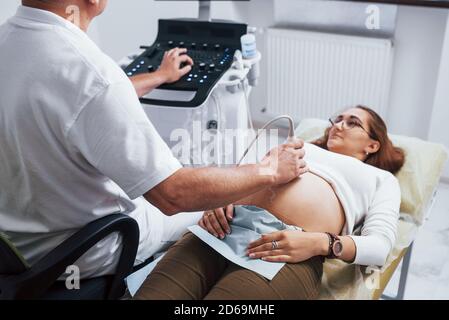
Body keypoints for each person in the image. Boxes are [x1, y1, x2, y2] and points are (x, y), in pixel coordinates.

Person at [0, 0, 307, 279]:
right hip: (81, 251)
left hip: (15, 241)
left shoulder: (10, 39)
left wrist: (159, 76)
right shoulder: (91, 73)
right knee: (215, 207)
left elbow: (81, 99)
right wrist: (270, 171)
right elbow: (173, 196)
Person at [135, 106, 405, 300]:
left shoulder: (381, 179)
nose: (338, 125)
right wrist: (221, 198)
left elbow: (380, 246)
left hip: (284, 252)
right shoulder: (298, 146)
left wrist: (321, 243)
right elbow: (248, 176)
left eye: (352, 122)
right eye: (338, 119)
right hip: (221, 229)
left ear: (373, 145)